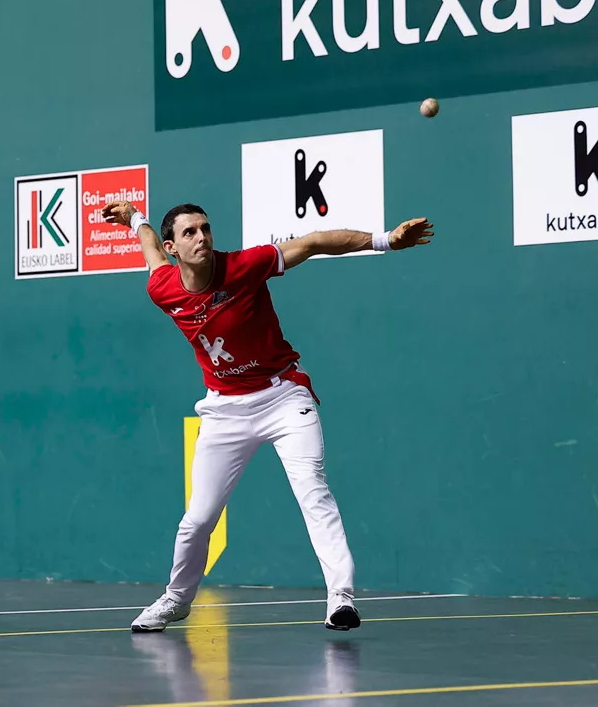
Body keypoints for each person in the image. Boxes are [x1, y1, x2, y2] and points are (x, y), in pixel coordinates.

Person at [101, 200, 432, 633]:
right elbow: (150, 252)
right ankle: (177, 599)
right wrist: (135, 219)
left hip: (283, 397)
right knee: (198, 519)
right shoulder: (162, 287)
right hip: (223, 410)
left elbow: (312, 243)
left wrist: (385, 240)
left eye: (206, 228)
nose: (202, 237)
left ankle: (341, 599)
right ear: (174, 246)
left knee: (313, 492)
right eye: (190, 233)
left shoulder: (245, 265)